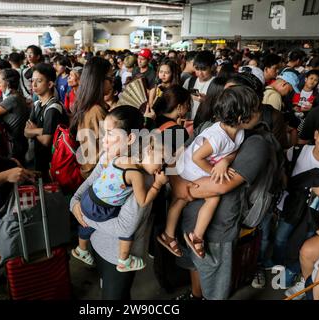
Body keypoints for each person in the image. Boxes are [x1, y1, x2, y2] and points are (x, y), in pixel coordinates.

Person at [158, 86, 261, 259]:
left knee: (201, 199)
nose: (259, 113)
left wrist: (225, 161)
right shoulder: (217, 137)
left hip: (198, 168)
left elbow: (234, 150)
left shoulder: (239, 132)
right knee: (186, 199)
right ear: (240, 117)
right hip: (188, 168)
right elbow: (198, 157)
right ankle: (175, 235)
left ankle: (190, 236)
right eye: (255, 110)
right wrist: (213, 171)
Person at [70, 107, 154, 300]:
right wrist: (74, 203)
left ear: (130, 139)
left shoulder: (140, 176)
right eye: (103, 133)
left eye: (110, 134)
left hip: (119, 255)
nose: (103, 140)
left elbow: (124, 228)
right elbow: (88, 184)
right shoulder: (110, 156)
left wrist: (83, 214)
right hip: (96, 242)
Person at [272, 116, 319, 286]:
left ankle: (292, 270)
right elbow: (282, 170)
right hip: (289, 205)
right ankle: (277, 267)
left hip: (312, 213)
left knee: (301, 241)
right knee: (280, 238)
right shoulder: (299, 151)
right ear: (315, 134)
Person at [70, 57, 113, 179]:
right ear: (98, 80)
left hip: (89, 170)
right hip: (97, 174)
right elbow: (111, 146)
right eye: (110, 78)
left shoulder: (87, 105)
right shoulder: (96, 111)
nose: (112, 82)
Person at [24, 63, 66, 181]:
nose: (34, 84)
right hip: (38, 159)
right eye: (33, 80)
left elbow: (47, 140)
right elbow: (26, 132)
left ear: (50, 84)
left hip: (52, 162)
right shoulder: (37, 104)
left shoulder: (53, 108)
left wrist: (35, 130)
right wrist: (40, 131)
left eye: (39, 81)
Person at [0, 68, 30, 164]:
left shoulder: (12, 99)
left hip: (14, 144)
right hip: (20, 142)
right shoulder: (18, 96)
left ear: (7, 83)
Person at [183, 51, 216, 119]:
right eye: (197, 69)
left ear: (212, 67)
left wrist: (207, 101)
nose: (200, 73)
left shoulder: (217, 84)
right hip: (190, 122)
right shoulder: (190, 81)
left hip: (207, 125)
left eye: (204, 69)